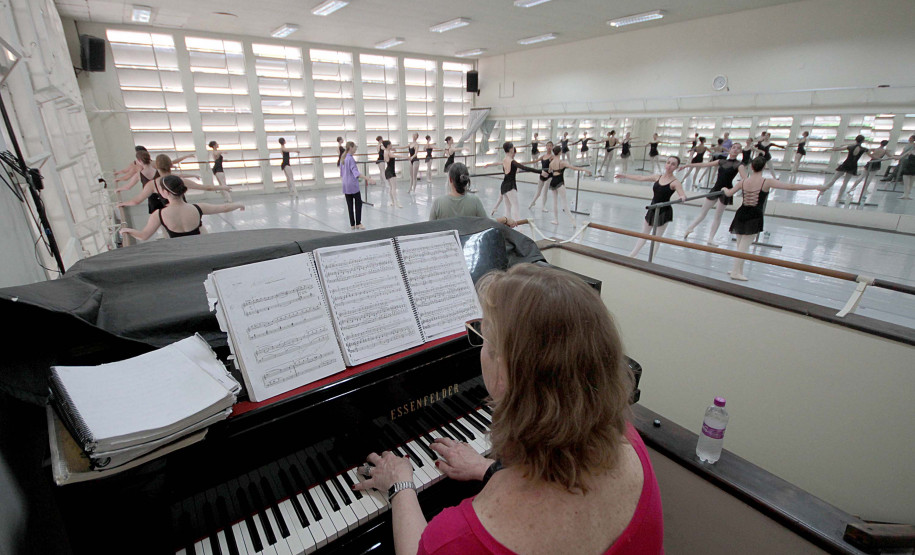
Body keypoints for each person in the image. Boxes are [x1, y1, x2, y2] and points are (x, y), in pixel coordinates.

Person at [352, 263, 662, 555]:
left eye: (483, 337)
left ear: (504, 374)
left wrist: (400, 483)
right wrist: (487, 469)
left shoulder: (459, 539)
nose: (480, 346)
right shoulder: (627, 440)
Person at [723, 156, 827, 280]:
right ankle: (735, 272)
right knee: (743, 247)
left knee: (740, 245)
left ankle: (737, 270)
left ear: (751, 167)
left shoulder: (743, 181)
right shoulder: (767, 182)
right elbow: (791, 186)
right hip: (754, 215)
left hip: (741, 213)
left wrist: (724, 189)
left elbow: (729, 193)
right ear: (764, 167)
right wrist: (815, 186)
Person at [119, 175, 244, 241]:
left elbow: (143, 236)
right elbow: (224, 207)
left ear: (164, 192)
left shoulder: (159, 214)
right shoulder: (198, 208)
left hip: (181, 253)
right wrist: (239, 205)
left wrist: (127, 230)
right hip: (200, 250)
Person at [616, 156, 687, 258]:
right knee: (644, 234)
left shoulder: (675, 182)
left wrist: (682, 197)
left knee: (656, 238)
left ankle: (651, 259)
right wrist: (625, 176)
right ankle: (632, 255)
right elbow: (641, 178)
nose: (669, 165)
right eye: (668, 162)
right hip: (653, 208)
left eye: (673, 164)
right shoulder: (657, 177)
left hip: (663, 211)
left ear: (676, 167)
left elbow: (682, 195)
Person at [681, 143, 748, 246]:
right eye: (734, 147)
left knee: (718, 216)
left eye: (738, 148)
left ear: (740, 151)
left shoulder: (739, 165)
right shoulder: (721, 161)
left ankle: (711, 238)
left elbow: (745, 180)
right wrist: (689, 165)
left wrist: (733, 190)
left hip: (726, 191)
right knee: (703, 212)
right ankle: (690, 228)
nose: (735, 149)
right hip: (716, 188)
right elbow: (704, 165)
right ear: (730, 149)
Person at [118, 154, 229, 214]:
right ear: (171, 165)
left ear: (157, 166)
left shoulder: (152, 184)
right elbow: (207, 187)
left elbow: (136, 201)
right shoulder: (178, 180)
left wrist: (122, 203)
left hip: (168, 213)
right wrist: (223, 187)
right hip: (184, 210)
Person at [429, 162, 516, 227]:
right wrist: (505, 219)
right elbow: (487, 222)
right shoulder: (474, 201)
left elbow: (429, 228)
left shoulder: (438, 203)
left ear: (450, 179)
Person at [493, 142, 540, 222]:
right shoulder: (512, 161)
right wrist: (540, 171)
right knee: (515, 207)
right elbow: (525, 168)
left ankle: (507, 224)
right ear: (511, 149)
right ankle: (518, 225)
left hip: (504, 185)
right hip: (510, 186)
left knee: (508, 208)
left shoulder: (504, 160)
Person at [817, 134, 868, 205]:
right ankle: (839, 197)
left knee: (833, 179)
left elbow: (837, 149)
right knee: (845, 182)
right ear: (863, 141)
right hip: (853, 166)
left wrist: (828, 149)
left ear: (855, 140)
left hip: (846, 164)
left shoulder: (850, 147)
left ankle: (823, 190)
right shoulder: (864, 149)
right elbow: (872, 154)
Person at [548, 145, 591, 226]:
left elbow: (550, 171)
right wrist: (584, 169)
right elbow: (573, 168)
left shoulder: (551, 163)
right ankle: (572, 220)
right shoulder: (562, 162)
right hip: (560, 182)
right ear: (560, 152)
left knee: (555, 202)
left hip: (553, 182)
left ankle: (556, 220)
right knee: (564, 203)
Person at [339, 141, 375, 230]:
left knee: (350, 205)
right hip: (353, 185)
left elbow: (342, 174)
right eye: (355, 147)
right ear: (351, 148)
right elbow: (356, 173)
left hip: (345, 185)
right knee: (358, 203)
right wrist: (368, 178)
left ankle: (352, 224)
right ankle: (358, 223)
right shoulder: (350, 159)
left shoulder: (343, 158)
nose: (356, 149)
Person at [528, 141, 554, 212]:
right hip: (542, 175)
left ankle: (543, 206)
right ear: (546, 147)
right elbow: (534, 161)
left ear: (552, 147)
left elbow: (554, 166)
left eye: (550, 146)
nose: (549, 147)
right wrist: (523, 163)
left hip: (548, 176)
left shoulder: (552, 157)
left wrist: (551, 168)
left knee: (545, 191)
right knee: (538, 191)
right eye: (548, 145)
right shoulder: (543, 156)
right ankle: (533, 202)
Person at [382, 140, 403, 208]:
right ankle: (396, 202)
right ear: (388, 145)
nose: (391, 145)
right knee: (393, 188)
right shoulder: (388, 153)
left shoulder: (386, 152)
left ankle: (393, 202)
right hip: (390, 171)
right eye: (390, 144)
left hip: (389, 170)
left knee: (391, 188)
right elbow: (395, 156)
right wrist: (406, 157)